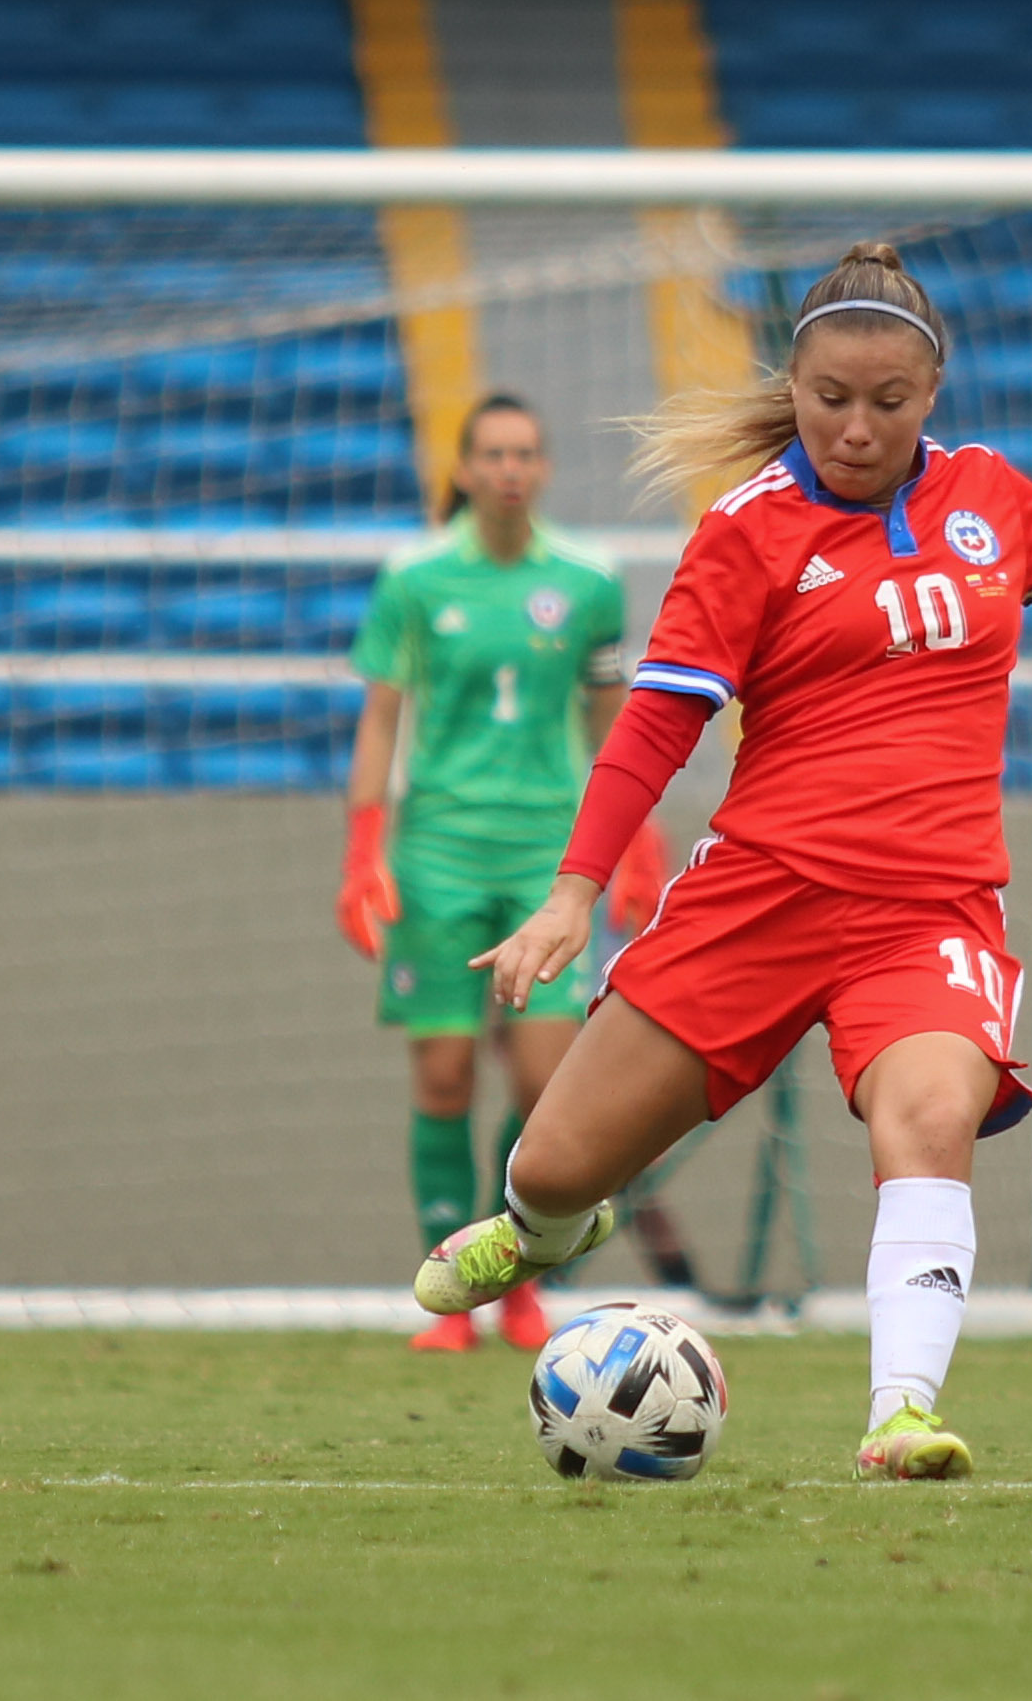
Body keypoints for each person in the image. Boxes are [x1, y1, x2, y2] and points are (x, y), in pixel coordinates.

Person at [407, 244, 1032, 1479]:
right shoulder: (747, 531)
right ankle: (545, 1231)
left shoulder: (989, 498)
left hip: (929, 911)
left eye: (887, 402)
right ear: (794, 388)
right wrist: (572, 892)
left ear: (932, 394)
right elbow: (655, 724)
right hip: (760, 897)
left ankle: (900, 1414)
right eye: (829, 400)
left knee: (930, 1117)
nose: (856, 428)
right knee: (549, 1164)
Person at [338, 391, 664, 1354]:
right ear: (465, 469)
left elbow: (611, 719)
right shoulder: (414, 578)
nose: (510, 469)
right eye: (493, 454)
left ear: (544, 468)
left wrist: (636, 844)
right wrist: (362, 849)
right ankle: (451, 1299)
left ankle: (516, 1274)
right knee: (443, 1078)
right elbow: (381, 717)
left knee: (544, 1080)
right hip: (437, 851)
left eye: (525, 453)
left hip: (547, 858)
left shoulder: (589, 581)